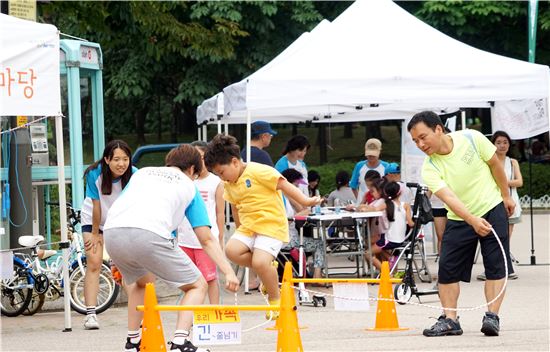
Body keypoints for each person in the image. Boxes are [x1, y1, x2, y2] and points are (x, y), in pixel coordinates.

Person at [103, 144, 239, 352]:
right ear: (193, 169)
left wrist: (115, 258)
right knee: (197, 285)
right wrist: (228, 271)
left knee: (142, 283)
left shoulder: (143, 173)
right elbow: (206, 239)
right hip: (148, 233)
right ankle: (180, 342)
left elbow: (125, 207)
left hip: (113, 233)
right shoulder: (189, 185)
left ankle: (133, 342)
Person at [408, 111, 515, 337]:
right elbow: (450, 199)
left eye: (422, 137)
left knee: (496, 266)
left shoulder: (471, 138)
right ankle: (450, 320)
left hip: (492, 207)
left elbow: (495, 165)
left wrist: (506, 196)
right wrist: (472, 220)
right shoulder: (430, 167)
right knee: (446, 270)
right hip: (460, 218)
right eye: (415, 141)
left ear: (438, 129)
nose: (420, 144)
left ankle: (492, 317)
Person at [204, 134, 321, 319]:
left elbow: (284, 185)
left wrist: (306, 200)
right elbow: (235, 208)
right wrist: (239, 229)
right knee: (231, 251)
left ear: (234, 162)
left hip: (271, 224)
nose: (221, 178)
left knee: (259, 262)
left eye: (221, 172)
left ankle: (275, 299)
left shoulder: (259, 171)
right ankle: (267, 270)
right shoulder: (229, 184)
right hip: (249, 227)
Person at [80, 139, 136, 330]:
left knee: (126, 266)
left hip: (118, 221)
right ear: (107, 159)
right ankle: (90, 315)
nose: (122, 164)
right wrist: (95, 234)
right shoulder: (94, 173)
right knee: (94, 262)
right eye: (117, 159)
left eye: (126, 159)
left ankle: (139, 312)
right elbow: (96, 206)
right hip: (93, 220)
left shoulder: (134, 175)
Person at [178, 141, 225, 304]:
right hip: (185, 239)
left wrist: (219, 238)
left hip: (206, 241)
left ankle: (214, 311)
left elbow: (220, 212)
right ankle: (191, 313)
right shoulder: (185, 181)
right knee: (189, 281)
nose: (200, 162)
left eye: (203, 158)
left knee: (210, 278)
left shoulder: (216, 182)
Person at [477, 131, 522, 281]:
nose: (502, 145)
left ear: (509, 144)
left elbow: (519, 182)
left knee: (505, 239)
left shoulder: (512, 162)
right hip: (493, 203)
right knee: (493, 239)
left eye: (505, 142)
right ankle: (494, 269)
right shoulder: (488, 161)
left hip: (511, 202)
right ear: (493, 144)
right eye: (498, 142)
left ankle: (507, 269)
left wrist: (501, 180)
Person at [281, 169, 325, 281]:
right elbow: (284, 222)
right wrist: (302, 213)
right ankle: (317, 276)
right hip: (285, 239)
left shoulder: (286, 197)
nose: (297, 189)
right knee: (319, 243)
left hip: (290, 236)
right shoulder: (281, 199)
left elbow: (302, 209)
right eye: (295, 186)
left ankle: (316, 274)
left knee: (317, 238)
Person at [364, 182, 413, 271]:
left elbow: (374, 209)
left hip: (390, 239)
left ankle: (386, 273)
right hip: (401, 238)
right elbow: (411, 224)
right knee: (369, 240)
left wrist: (361, 208)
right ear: (400, 192)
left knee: (367, 253)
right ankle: (390, 258)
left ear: (385, 193)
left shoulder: (386, 204)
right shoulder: (406, 205)